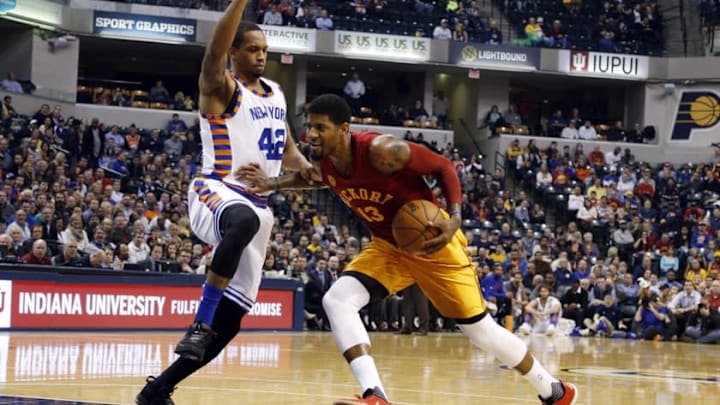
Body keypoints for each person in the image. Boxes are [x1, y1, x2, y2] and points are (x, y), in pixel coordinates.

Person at [236, 94, 577, 405]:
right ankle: (375, 395)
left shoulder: (382, 151)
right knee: (336, 300)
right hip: (389, 247)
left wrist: (455, 218)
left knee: (481, 333)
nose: (311, 134)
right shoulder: (326, 163)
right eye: (309, 127)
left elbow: (443, 166)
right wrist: (272, 183)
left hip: (432, 242)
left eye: (320, 128)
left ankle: (554, 391)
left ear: (344, 129)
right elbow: (312, 178)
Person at [135, 1, 313, 404]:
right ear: (234, 51)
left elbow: (296, 164)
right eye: (252, 48)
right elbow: (211, 55)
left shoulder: (278, 96)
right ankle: (199, 322)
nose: (261, 55)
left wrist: (289, 177)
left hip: (258, 208)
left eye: (265, 49)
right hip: (216, 189)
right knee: (243, 220)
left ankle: (158, 388)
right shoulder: (221, 87)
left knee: (231, 323)